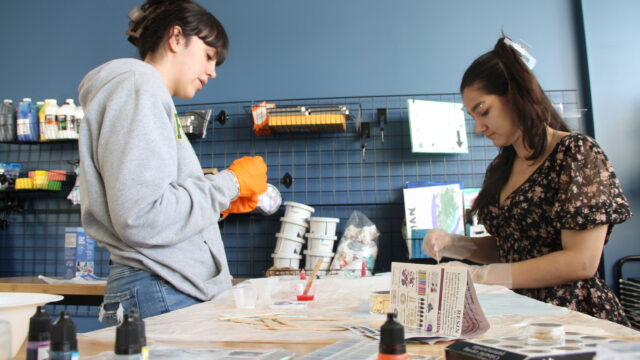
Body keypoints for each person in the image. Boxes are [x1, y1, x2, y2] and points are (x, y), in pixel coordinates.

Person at [78, 0, 267, 326]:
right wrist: (230, 183)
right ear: (177, 38)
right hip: (161, 288)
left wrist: (217, 207)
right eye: (209, 56)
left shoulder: (143, 92)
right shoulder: (139, 84)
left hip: (163, 288)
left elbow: (151, 205)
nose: (212, 70)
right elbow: (142, 216)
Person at [422, 35, 631, 325]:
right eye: (472, 116)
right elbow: (512, 248)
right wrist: (454, 244)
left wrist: (481, 276)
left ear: (516, 95)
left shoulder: (575, 153)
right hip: (517, 312)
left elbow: (581, 261)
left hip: (570, 317)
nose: (479, 127)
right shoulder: (501, 166)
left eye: (483, 111)